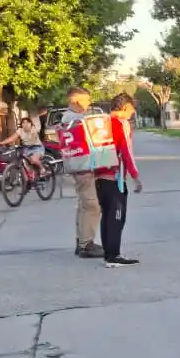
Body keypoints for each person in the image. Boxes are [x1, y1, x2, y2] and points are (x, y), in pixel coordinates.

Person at [94, 93, 141, 267]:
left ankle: (108, 253)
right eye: (131, 111)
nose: (131, 114)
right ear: (125, 107)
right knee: (116, 216)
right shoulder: (121, 124)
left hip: (98, 175)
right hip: (115, 177)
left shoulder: (102, 122)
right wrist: (135, 176)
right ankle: (114, 256)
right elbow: (126, 151)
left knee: (106, 215)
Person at [63, 87, 105, 258]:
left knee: (84, 204)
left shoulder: (69, 118)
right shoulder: (77, 119)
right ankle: (86, 244)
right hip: (82, 166)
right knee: (92, 205)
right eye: (86, 100)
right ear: (75, 100)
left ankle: (81, 241)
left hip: (78, 165)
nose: (88, 103)